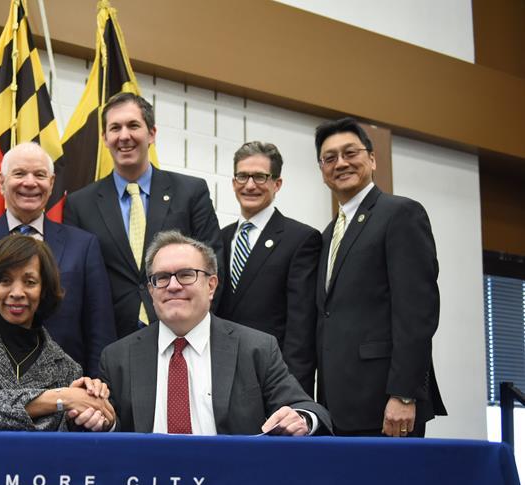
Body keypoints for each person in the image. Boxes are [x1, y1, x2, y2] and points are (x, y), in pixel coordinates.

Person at [100, 231, 331, 435]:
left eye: (186, 274)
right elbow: (110, 429)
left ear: (211, 285)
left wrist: (300, 419)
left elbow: (306, 408)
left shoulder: (256, 348)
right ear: (151, 290)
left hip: (230, 479)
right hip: (150, 479)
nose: (172, 286)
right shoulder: (117, 357)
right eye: (161, 278)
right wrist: (106, 423)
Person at [0, 142, 115, 377]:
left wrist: (95, 389)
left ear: (51, 184)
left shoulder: (84, 246)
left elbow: (99, 328)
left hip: (67, 390)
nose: (30, 182)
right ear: (1, 182)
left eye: (39, 175)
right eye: (19, 174)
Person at [314, 117, 445, 437]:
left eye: (350, 153)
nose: (340, 163)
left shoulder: (400, 214)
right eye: (329, 158)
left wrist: (404, 393)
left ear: (372, 159)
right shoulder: (329, 233)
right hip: (337, 406)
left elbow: (416, 313)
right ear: (322, 170)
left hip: (387, 403)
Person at [64, 92, 222, 339]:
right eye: (115, 128)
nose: (124, 136)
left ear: (152, 133)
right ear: (104, 138)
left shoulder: (191, 192)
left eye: (133, 125)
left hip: (184, 334)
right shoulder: (79, 204)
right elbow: (77, 282)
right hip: (112, 341)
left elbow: (213, 263)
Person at [0, 235, 116, 432]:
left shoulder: (67, 369)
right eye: (5, 280)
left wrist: (96, 412)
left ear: (44, 290)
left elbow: (68, 444)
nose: (17, 292)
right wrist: (62, 398)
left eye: (29, 282)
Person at [214, 141, 320, 395]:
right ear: (233, 182)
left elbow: (300, 328)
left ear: (277, 184)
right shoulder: (217, 238)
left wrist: (294, 394)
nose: (250, 185)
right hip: (219, 376)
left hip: (271, 378)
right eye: (242, 176)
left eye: (260, 177)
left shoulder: (301, 239)